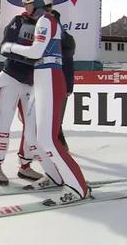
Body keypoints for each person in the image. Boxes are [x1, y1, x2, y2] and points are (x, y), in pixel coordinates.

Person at [1, 0, 89, 205]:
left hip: (49, 79)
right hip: (41, 80)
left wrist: (10, 47)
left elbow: (36, 51)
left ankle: (78, 187)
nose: (24, 2)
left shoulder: (46, 20)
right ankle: (54, 176)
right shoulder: (45, 20)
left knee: (48, 140)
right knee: (33, 137)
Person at [0, 5, 44, 186]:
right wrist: (30, 57)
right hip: (11, 77)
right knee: (4, 122)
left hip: (31, 82)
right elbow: (5, 47)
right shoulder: (18, 21)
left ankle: (25, 166)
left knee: (32, 125)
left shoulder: (46, 25)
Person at [51, 10, 75, 152]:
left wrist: (68, 87)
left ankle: (61, 148)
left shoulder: (65, 38)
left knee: (56, 119)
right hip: (48, 82)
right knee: (53, 119)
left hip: (60, 83)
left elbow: (69, 64)